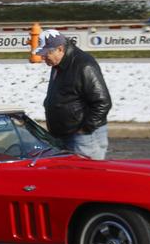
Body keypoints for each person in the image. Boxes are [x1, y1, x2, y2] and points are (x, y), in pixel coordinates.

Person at [34, 29, 112, 160]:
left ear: (60, 49)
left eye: (46, 53)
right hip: (66, 135)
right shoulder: (58, 63)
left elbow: (103, 102)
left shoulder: (83, 65)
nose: (43, 57)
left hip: (84, 138)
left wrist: (85, 129)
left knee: (87, 176)